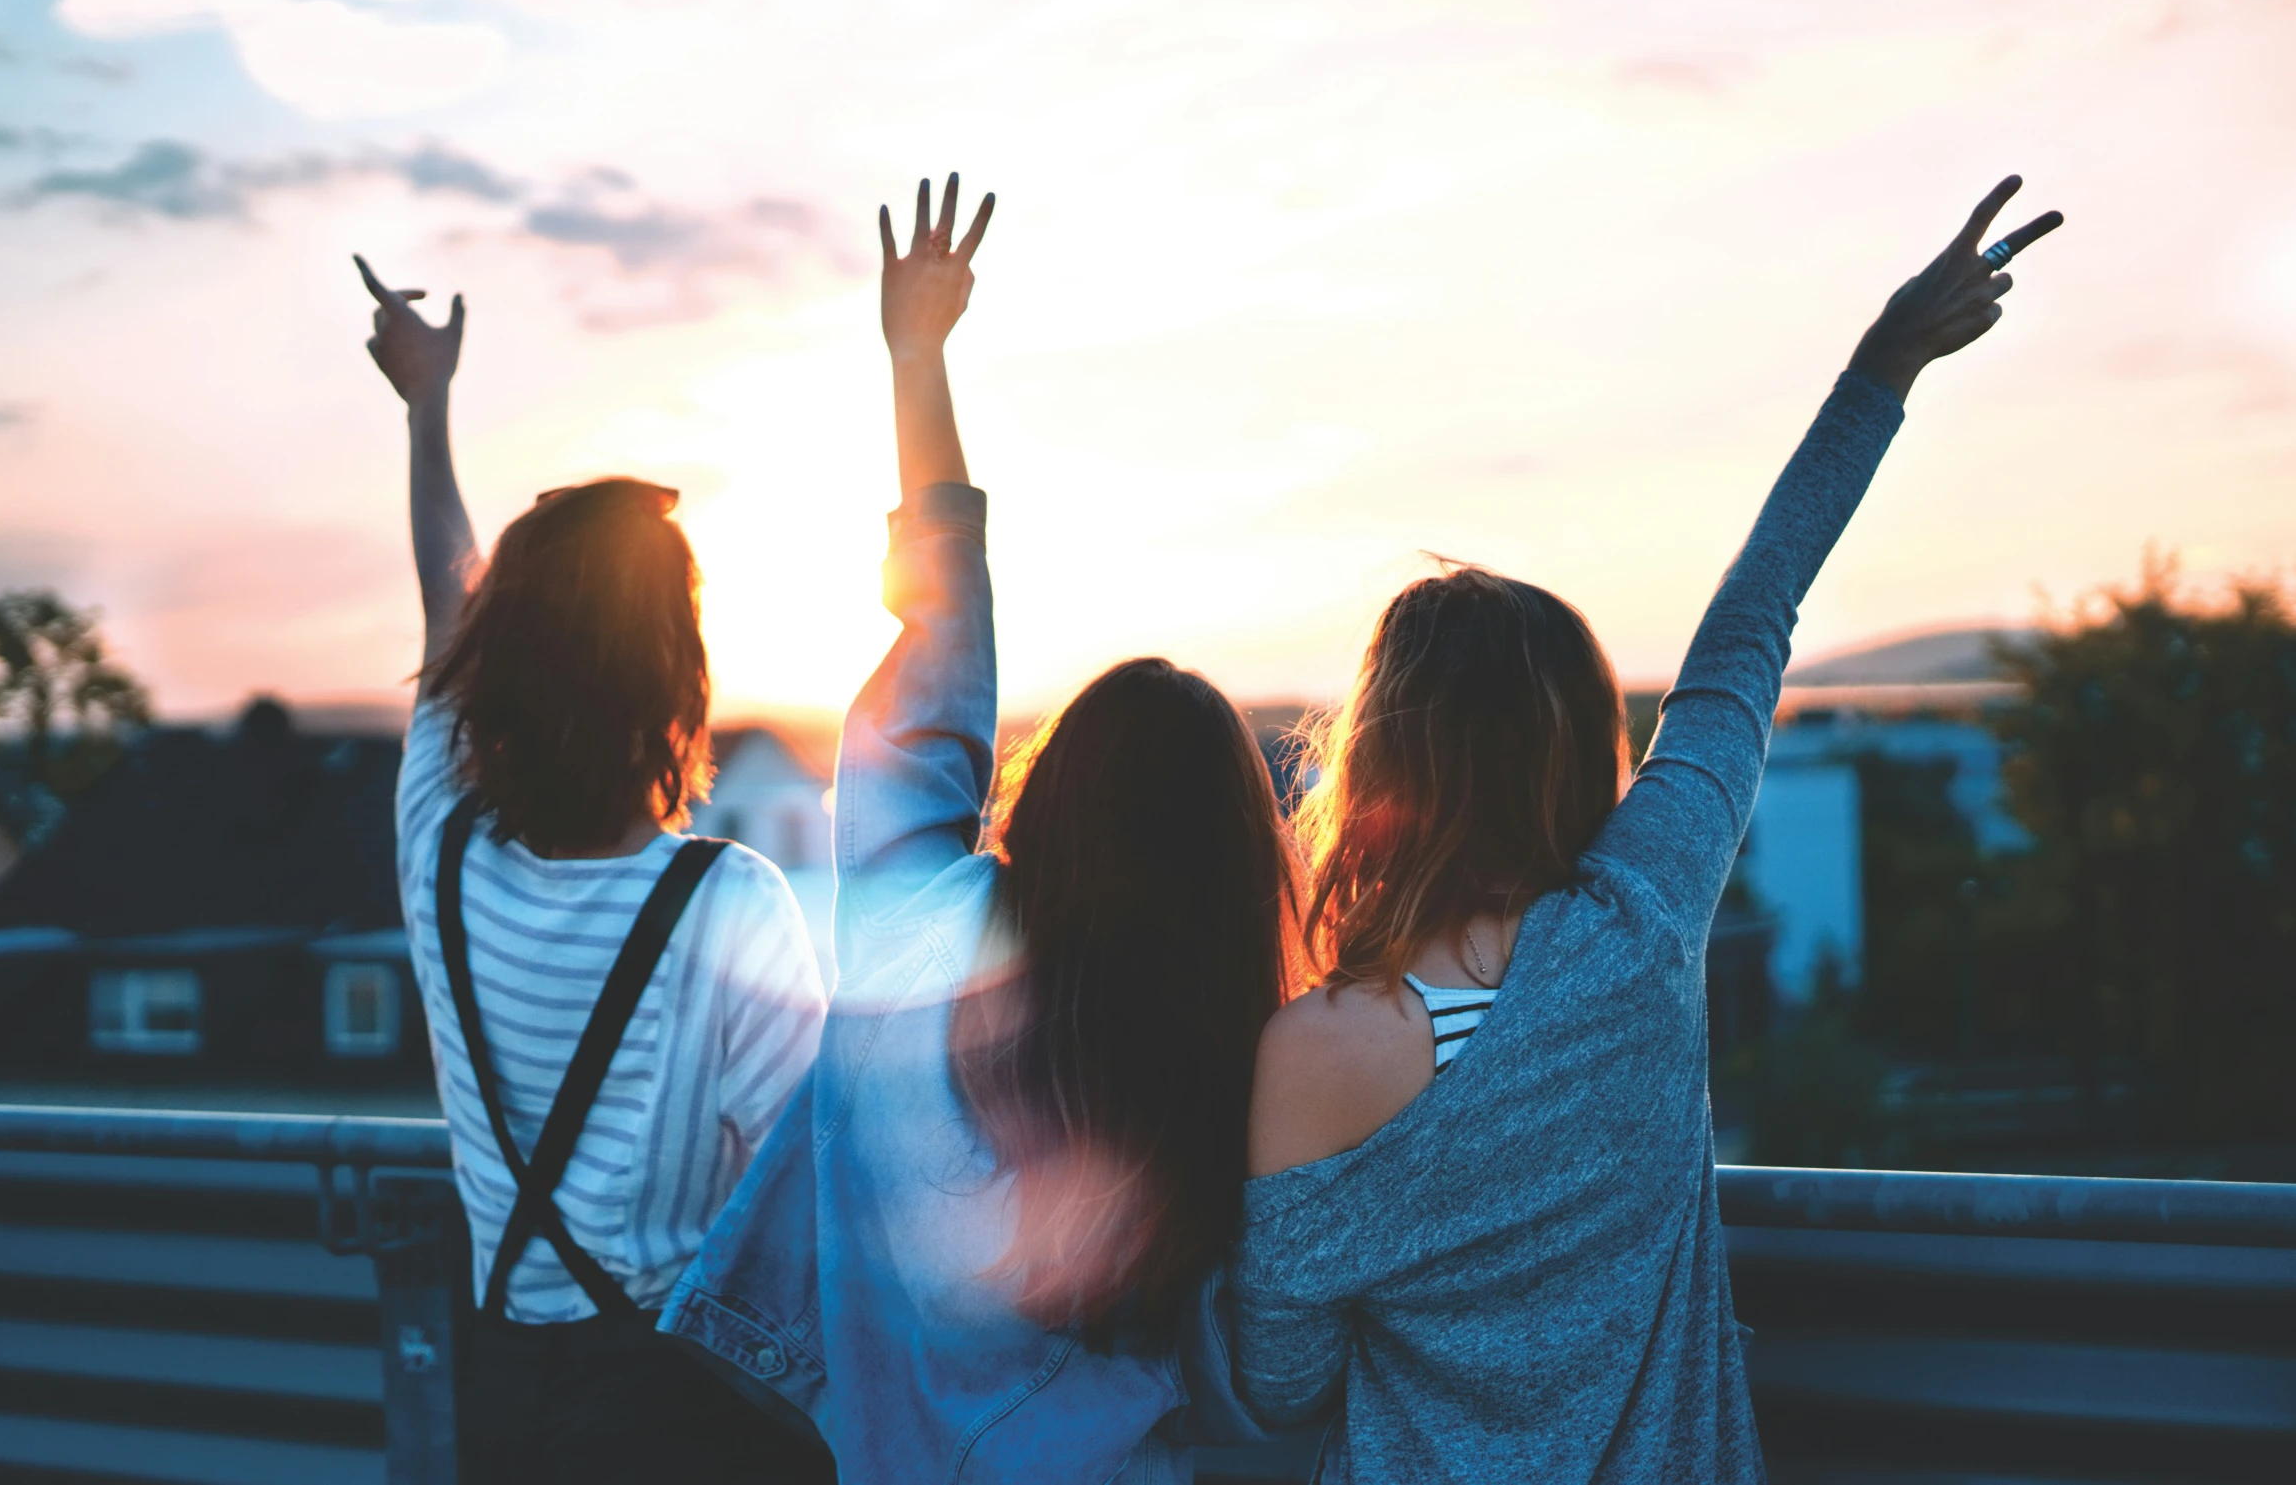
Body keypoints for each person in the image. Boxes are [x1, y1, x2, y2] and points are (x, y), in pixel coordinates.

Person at [1232, 179, 2064, 1481]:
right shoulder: (1642, 917)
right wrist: (1882, 364)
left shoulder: (1314, 1050)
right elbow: (1749, 629)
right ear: (1575, 748)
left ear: (1379, 756)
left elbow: (1280, 1389)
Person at [661, 176, 1301, 1483]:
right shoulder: (1227, 1054)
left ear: (1050, 791)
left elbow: (939, 656)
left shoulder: (916, 935)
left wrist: (915, 358)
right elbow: (1258, 1377)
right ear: (1232, 860)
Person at [356, 255, 835, 1484]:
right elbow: (805, 1195)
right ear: (676, 683)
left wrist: (426, 408)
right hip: (680, 1411)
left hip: (496, 1394)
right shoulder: (729, 905)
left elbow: (445, 611)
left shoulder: (438, 848)